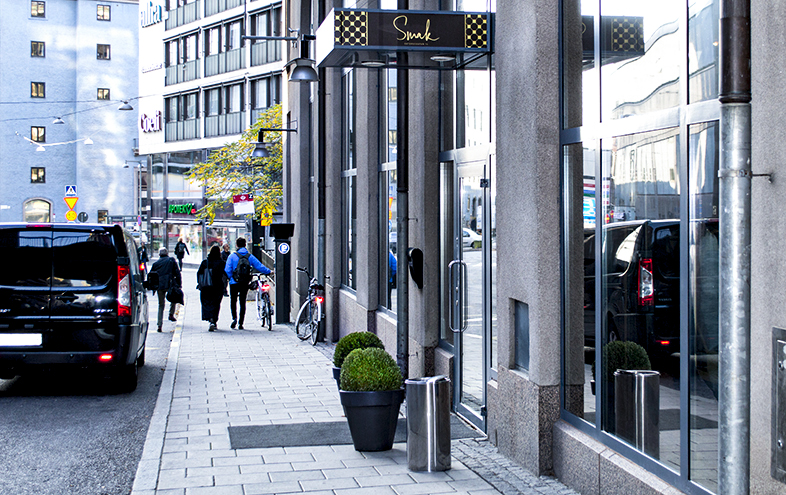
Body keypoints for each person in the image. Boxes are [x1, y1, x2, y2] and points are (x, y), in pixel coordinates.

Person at [224, 237, 272, 330]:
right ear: (245, 245)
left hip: (234, 282)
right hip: (245, 282)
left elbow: (227, 270)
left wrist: (231, 278)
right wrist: (268, 271)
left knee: (233, 301)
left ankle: (234, 318)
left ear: (237, 245)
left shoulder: (232, 256)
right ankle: (241, 323)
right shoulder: (249, 256)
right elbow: (259, 266)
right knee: (243, 302)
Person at [149, 247, 181, 332]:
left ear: (159, 254)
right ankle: (171, 314)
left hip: (159, 286)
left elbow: (151, 276)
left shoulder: (155, 264)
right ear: (167, 253)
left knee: (161, 305)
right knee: (173, 299)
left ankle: (159, 325)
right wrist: (179, 284)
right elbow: (177, 273)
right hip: (169, 284)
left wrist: (153, 288)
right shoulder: (171, 260)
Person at [197, 245, 226, 332]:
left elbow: (199, 274)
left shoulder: (205, 262)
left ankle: (210, 318)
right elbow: (225, 274)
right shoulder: (221, 263)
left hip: (206, 287)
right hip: (218, 287)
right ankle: (214, 320)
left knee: (207, 302)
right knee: (216, 303)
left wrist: (200, 284)